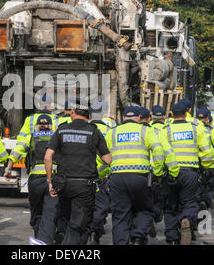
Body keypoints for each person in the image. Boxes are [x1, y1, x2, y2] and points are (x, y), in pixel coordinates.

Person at [105, 106, 178, 245]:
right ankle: (138, 237)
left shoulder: (112, 133)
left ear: (123, 118)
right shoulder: (146, 130)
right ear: (139, 118)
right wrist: (157, 172)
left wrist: (102, 174)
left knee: (120, 215)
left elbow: (102, 157)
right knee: (145, 209)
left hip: (117, 178)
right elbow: (158, 150)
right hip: (140, 177)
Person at [44, 99, 112, 245]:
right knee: (78, 225)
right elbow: (108, 160)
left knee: (67, 220)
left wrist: (50, 181)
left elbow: (47, 156)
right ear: (88, 114)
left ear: (73, 112)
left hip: (63, 184)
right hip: (84, 186)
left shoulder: (61, 130)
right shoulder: (94, 132)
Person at [159, 102, 214, 245]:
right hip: (190, 172)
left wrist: (158, 173)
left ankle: (172, 238)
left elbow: (160, 153)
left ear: (171, 114)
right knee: (190, 202)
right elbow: (207, 152)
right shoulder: (197, 128)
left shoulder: (165, 129)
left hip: (171, 173)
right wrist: (208, 168)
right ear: (186, 114)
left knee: (171, 205)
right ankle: (187, 219)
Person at [5, 114, 58, 245]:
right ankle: (44, 240)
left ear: (36, 126)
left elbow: (17, 152)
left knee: (36, 211)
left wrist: (8, 169)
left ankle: (38, 237)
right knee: (51, 212)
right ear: (51, 126)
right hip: (53, 179)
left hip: (35, 181)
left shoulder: (31, 137)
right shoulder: (57, 137)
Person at [82, 114, 112, 245]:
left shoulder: (85, 130)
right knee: (100, 207)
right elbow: (111, 159)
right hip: (101, 177)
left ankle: (87, 232)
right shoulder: (109, 132)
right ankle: (95, 231)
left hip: (83, 175)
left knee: (83, 207)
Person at [196, 108, 214, 210]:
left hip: (197, 163)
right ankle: (207, 200)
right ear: (208, 119)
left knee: (199, 186)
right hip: (210, 163)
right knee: (209, 185)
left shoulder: (193, 129)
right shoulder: (211, 130)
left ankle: (202, 201)